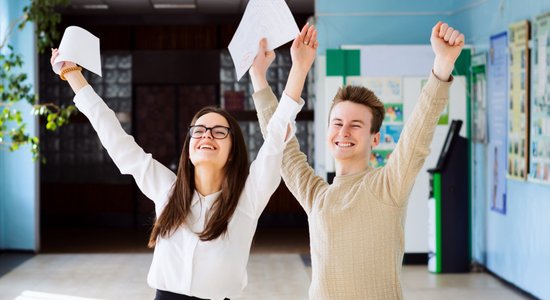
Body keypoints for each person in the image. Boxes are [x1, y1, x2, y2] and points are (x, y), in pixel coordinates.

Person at [49, 24, 317, 300]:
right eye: (198, 131)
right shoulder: (168, 191)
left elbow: (276, 138)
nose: (206, 136)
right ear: (188, 149)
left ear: (233, 150)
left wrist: (299, 68)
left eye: (219, 132)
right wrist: (72, 74)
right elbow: (117, 140)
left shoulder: (247, 200)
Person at [249, 21, 465, 299]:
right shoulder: (317, 196)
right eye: (337, 123)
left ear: (375, 139)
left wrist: (442, 65)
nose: (343, 132)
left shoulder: (388, 186)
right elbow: (280, 145)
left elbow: (417, 135)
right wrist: (259, 77)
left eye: (355, 125)